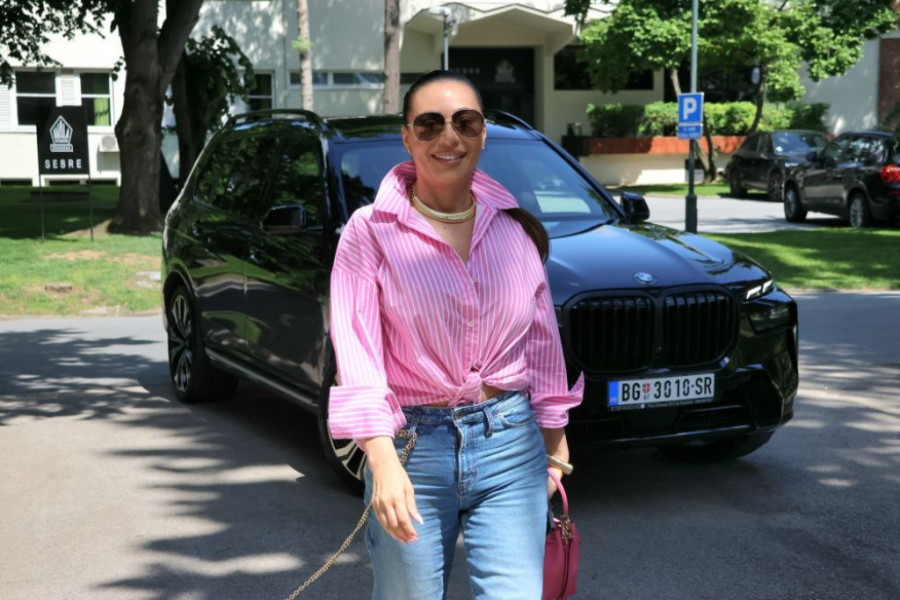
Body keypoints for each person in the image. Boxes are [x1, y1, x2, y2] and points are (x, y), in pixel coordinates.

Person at [327, 69, 583, 600]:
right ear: (407, 137)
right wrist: (381, 460)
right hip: (412, 450)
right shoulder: (369, 232)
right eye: (430, 124)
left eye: (465, 122)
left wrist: (555, 445)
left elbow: (541, 344)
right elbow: (358, 353)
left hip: (510, 443)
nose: (450, 137)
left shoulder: (515, 230)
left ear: (483, 134)